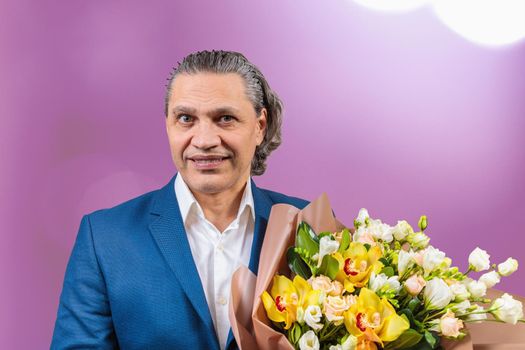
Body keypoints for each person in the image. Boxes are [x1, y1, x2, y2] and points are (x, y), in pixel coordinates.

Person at [51, 50, 309, 349]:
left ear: (259, 126)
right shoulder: (105, 239)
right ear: (168, 125)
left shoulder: (306, 228)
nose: (204, 140)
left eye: (225, 118)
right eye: (186, 118)